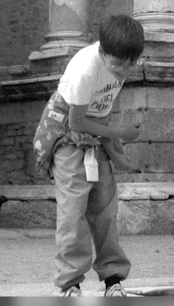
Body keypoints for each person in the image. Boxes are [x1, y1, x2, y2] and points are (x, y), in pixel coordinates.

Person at [33, 15, 144, 297]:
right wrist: (121, 134)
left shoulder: (120, 63)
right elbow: (77, 123)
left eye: (130, 64)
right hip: (66, 132)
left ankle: (113, 279)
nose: (123, 71)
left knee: (105, 209)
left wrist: (114, 152)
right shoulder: (86, 69)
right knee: (74, 210)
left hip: (95, 132)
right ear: (102, 52)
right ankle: (71, 285)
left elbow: (102, 109)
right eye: (117, 63)